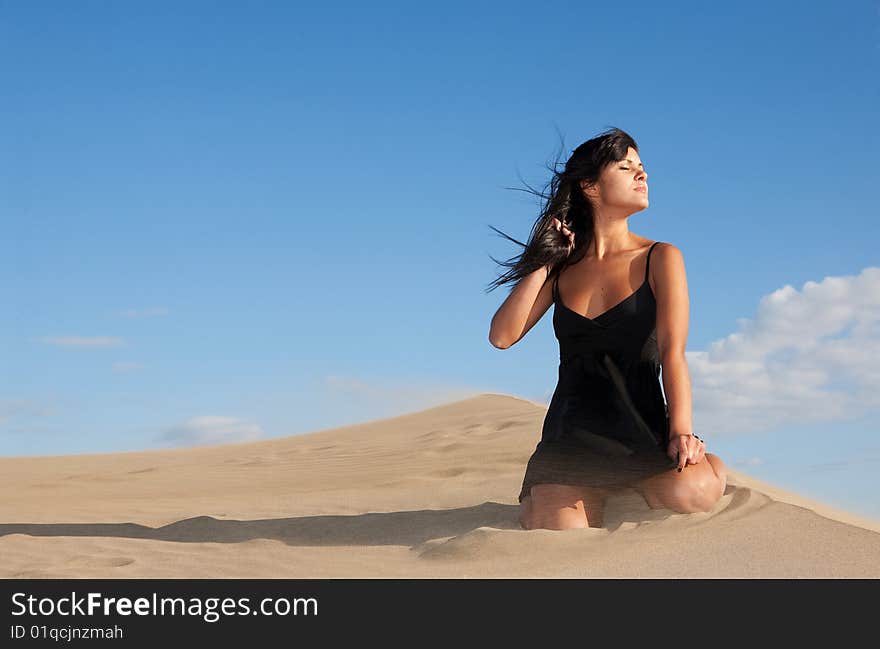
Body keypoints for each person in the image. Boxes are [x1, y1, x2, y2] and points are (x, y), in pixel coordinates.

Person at [487, 127, 728, 530]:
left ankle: (671, 476)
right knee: (559, 532)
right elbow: (502, 336)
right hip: (572, 438)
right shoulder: (562, 267)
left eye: (642, 168)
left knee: (692, 494)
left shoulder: (660, 257)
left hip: (642, 430)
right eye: (626, 166)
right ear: (590, 187)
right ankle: (567, 498)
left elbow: (672, 352)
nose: (642, 175)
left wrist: (682, 431)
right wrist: (545, 260)